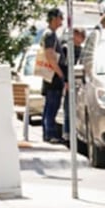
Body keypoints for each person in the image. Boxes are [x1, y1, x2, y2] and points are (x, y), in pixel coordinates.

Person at [39, 8, 66, 143]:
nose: (62, 20)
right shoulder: (49, 35)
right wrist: (61, 74)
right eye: (61, 17)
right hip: (53, 76)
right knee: (52, 105)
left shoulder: (51, 34)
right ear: (54, 18)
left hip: (51, 75)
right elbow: (50, 56)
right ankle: (50, 134)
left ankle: (48, 132)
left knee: (50, 105)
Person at [61, 27, 85, 142]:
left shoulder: (83, 50)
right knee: (68, 108)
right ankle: (67, 132)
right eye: (77, 35)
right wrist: (65, 81)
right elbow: (64, 66)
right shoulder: (67, 49)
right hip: (70, 82)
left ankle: (77, 132)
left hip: (80, 83)